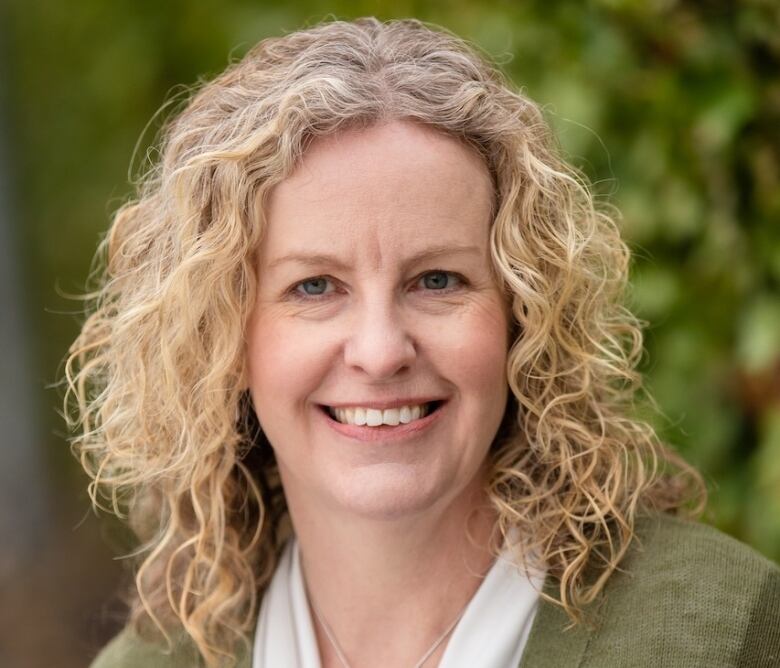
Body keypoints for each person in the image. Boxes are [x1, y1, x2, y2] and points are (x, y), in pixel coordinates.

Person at [66, 17, 779, 668]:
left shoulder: (722, 633)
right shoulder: (151, 663)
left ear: (523, 313)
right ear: (220, 337)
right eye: (315, 287)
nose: (380, 352)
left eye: (437, 279)